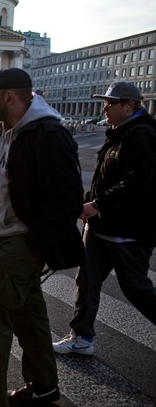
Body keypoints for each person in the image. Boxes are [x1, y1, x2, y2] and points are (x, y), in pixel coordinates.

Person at [0, 68, 85, 407]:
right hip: (9, 238)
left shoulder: (47, 134)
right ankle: (44, 386)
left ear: (9, 96)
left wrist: (36, 245)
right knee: (28, 316)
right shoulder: (5, 132)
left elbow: (67, 198)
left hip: (25, 240)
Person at [53, 81, 156, 356]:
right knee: (86, 281)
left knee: (136, 289)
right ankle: (82, 337)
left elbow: (137, 183)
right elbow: (103, 177)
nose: (104, 108)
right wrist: (88, 203)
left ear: (129, 106)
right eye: (105, 102)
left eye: (110, 103)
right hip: (101, 227)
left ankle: (82, 335)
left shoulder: (143, 134)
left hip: (129, 230)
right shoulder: (118, 132)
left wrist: (97, 204)